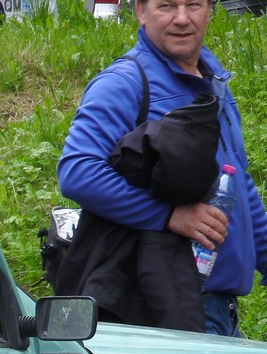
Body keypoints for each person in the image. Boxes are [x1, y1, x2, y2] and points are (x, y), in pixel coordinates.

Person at [58, 0, 267, 336]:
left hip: (220, 309)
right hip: (166, 311)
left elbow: (238, 183)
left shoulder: (215, 84)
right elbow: (78, 172)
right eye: (167, 6)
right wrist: (168, 215)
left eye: (193, 5)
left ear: (210, 10)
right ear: (141, 11)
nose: (182, 19)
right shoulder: (125, 83)